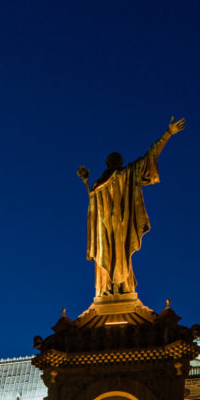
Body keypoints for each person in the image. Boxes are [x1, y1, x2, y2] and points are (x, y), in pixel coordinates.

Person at [77, 116, 185, 298]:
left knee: (111, 255)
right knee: (120, 256)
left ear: (107, 163)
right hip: (117, 225)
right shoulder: (122, 175)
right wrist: (167, 134)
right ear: (119, 162)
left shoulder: (98, 184)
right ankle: (119, 287)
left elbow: (91, 213)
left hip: (106, 229)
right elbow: (150, 155)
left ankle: (108, 289)